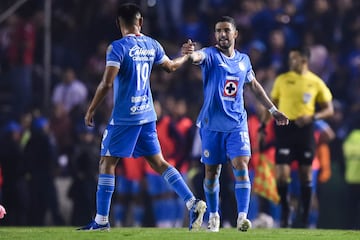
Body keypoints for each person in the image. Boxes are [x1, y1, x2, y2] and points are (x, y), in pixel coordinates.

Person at [78, 3, 206, 231]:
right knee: (159, 162)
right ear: (141, 22)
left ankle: (101, 221)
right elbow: (170, 67)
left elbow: (107, 82)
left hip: (124, 117)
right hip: (147, 115)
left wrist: (91, 109)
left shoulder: (117, 48)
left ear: (119, 23)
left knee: (107, 163)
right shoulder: (152, 44)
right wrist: (185, 57)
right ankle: (192, 202)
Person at [186, 16, 289, 232]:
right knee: (211, 173)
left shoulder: (244, 60)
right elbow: (198, 56)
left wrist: (272, 109)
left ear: (235, 34)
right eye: (218, 31)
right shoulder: (211, 55)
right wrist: (190, 54)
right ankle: (214, 216)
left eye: (226, 30)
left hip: (237, 125)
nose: (222, 34)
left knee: (241, 166)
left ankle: (242, 217)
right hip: (211, 126)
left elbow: (255, 86)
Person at [270, 46, 334, 228]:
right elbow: (272, 105)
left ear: (305, 60)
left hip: (305, 131)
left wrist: (313, 117)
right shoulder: (282, 79)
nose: (291, 62)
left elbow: (330, 110)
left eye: (295, 58)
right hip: (285, 129)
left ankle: (305, 216)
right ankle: (285, 211)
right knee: (281, 174)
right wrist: (262, 128)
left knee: (306, 175)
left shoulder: (316, 82)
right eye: (291, 58)